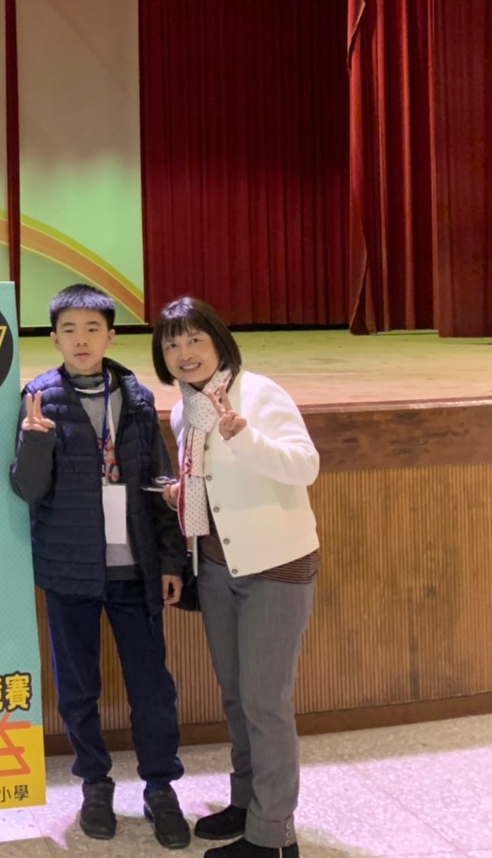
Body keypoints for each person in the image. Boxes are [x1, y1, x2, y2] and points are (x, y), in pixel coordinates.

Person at [11, 284, 191, 850]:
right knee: (78, 688)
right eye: (69, 330)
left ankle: (160, 787)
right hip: (70, 571)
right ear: (53, 338)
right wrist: (34, 442)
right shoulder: (38, 398)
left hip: (135, 571)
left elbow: (161, 484)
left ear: (111, 336)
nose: (81, 340)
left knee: (152, 688)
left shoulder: (135, 398)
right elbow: (27, 489)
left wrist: (170, 560)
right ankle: (94, 784)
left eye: (92, 329)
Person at [152, 297, 320, 858]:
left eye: (194, 339)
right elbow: (216, 485)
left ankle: (274, 837)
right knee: (236, 697)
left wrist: (243, 437)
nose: (184, 353)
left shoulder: (259, 394)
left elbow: (306, 466)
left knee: (265, 701)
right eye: (172, 344)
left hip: (275, 567)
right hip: (218, 566)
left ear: (219, 341)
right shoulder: (186, 410)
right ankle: (248, 803)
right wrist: (182, 494)